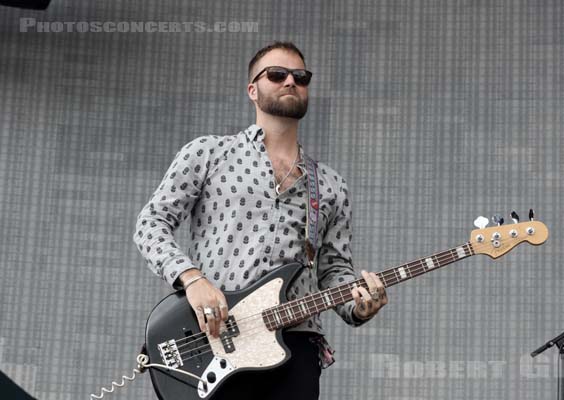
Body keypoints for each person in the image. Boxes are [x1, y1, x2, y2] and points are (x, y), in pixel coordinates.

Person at [133, 41, 388, 400]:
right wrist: (192, 280)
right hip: (214, 339)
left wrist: (360, 305)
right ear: (252, 90)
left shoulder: (330, 185)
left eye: (300, 77)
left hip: (294, 345)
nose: (290, 82)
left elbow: (334, 271)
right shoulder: (208, 153)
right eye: (277, 74)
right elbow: (151, 223)